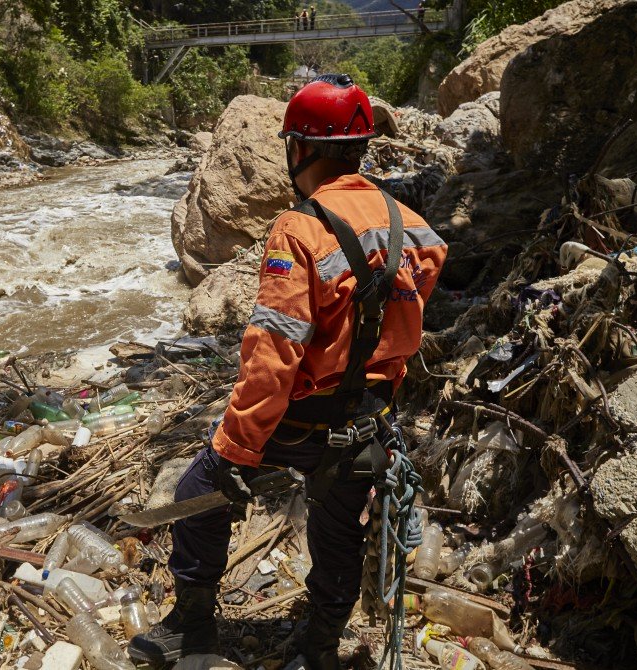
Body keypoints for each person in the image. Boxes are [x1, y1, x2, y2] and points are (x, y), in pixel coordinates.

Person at [128, 75, 447, 669]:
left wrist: (235, 447)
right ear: (361, 147)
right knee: (337, 529)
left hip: (297, 419)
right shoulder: (414, 227)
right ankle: (322, 648)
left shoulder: (298, 228)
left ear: (299, 149)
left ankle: (191, 629)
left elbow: (276, 353)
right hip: (366, 422)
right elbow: (401, 327)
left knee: (198, 488)